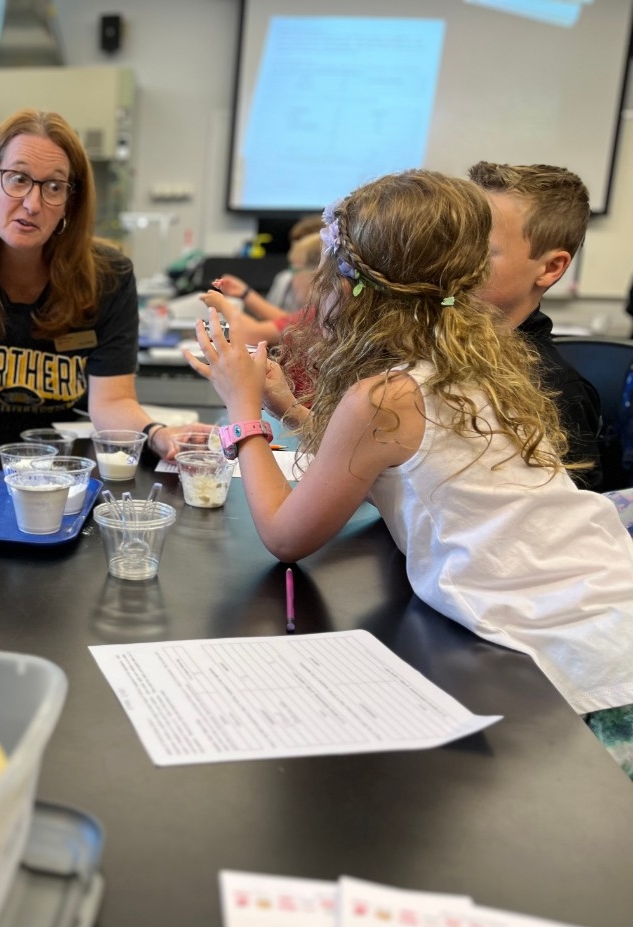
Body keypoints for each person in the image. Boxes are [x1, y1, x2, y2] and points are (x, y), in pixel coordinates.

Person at [184, 170, 633, 775]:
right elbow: (402, 465)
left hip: (583, 659)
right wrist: (287, 408)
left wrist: (241, 412)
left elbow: (285, 536)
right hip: (607, 606)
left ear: (354, 289)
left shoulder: (384, 397)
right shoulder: (479, 362)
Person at [0, 109, 209, 457]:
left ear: (70, 203)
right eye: (18, 179)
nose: (32, 204)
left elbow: (112, 400)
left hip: (71, 457)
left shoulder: (108, 276)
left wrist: (157, 435)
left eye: (54, 187)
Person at [467, 162, 603, 490]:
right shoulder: (427, 344)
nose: (453, 262)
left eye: (482, 250)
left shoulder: (557, 392)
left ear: (551, 268)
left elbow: (568, 514)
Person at [202, 233, 322, 345]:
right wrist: (245, 293)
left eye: (294, 270)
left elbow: (252, 334)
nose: (290, 277)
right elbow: (286, 320)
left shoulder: (316, 315)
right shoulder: (321, 312)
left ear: (315, 274)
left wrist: (222, 304)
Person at [261, 214, 323, 313]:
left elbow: (287, 320)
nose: (292, 254)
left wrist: (246, 294)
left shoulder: (326, 301)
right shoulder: (284, 279)